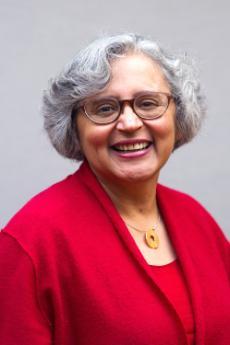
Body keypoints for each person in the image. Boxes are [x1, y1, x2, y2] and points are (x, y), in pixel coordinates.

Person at [0, 33, 229, 345]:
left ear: (178, 114)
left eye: (148, 103)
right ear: (74, 126)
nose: (130, 123)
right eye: (105, 109)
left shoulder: (196, 219)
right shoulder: (32, 240)